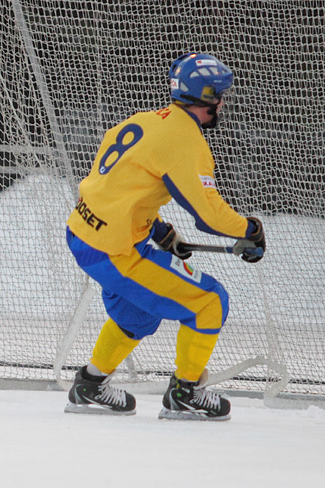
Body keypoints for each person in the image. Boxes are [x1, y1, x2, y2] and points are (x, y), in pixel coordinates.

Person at [64, 53, 265, 421]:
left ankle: (89, 385)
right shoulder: (187, 141)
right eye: (220, 95)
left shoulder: (145, 120)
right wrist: (250, 231)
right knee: (210, 301)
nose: (223, 102)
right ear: (206, 98)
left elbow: (117, 185)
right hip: (115, 251)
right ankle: (185, 393)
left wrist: (159, 230)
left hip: (83, 233)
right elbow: (208, 215)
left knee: (137, 315)